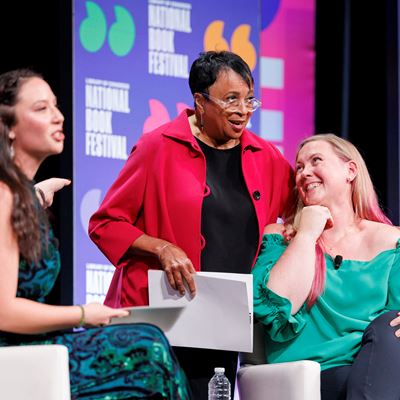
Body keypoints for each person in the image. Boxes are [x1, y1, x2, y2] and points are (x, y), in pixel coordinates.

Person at [89, 50, 294, 399]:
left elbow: (302, 206)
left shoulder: (266, 157)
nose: (242, 110)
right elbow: (106, 222)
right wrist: (161, 247)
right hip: (160, 316)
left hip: (223, 322)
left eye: (248, 100)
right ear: (200, 101)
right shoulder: (158, 147)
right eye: (230, 99)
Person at [0, 68, 191, 400]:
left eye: (56, 106)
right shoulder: (5, 194)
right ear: (9, 127)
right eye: (41, 108)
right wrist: (85, 314)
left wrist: (35, 195)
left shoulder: (18, 196)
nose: (59, 117)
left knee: (149, 343)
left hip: (37, 347)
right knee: (148, 347)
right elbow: (4, 311)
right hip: (18, 350)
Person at [252, 133, 400, 400]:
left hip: (374, 367)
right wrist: (307, 234)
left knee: (390, 327)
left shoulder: (393, 241)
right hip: (313, 373)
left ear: (350, 170)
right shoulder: (281, 237)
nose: (304, 173)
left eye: (315, 161)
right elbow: (277, 308)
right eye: (299, 167)